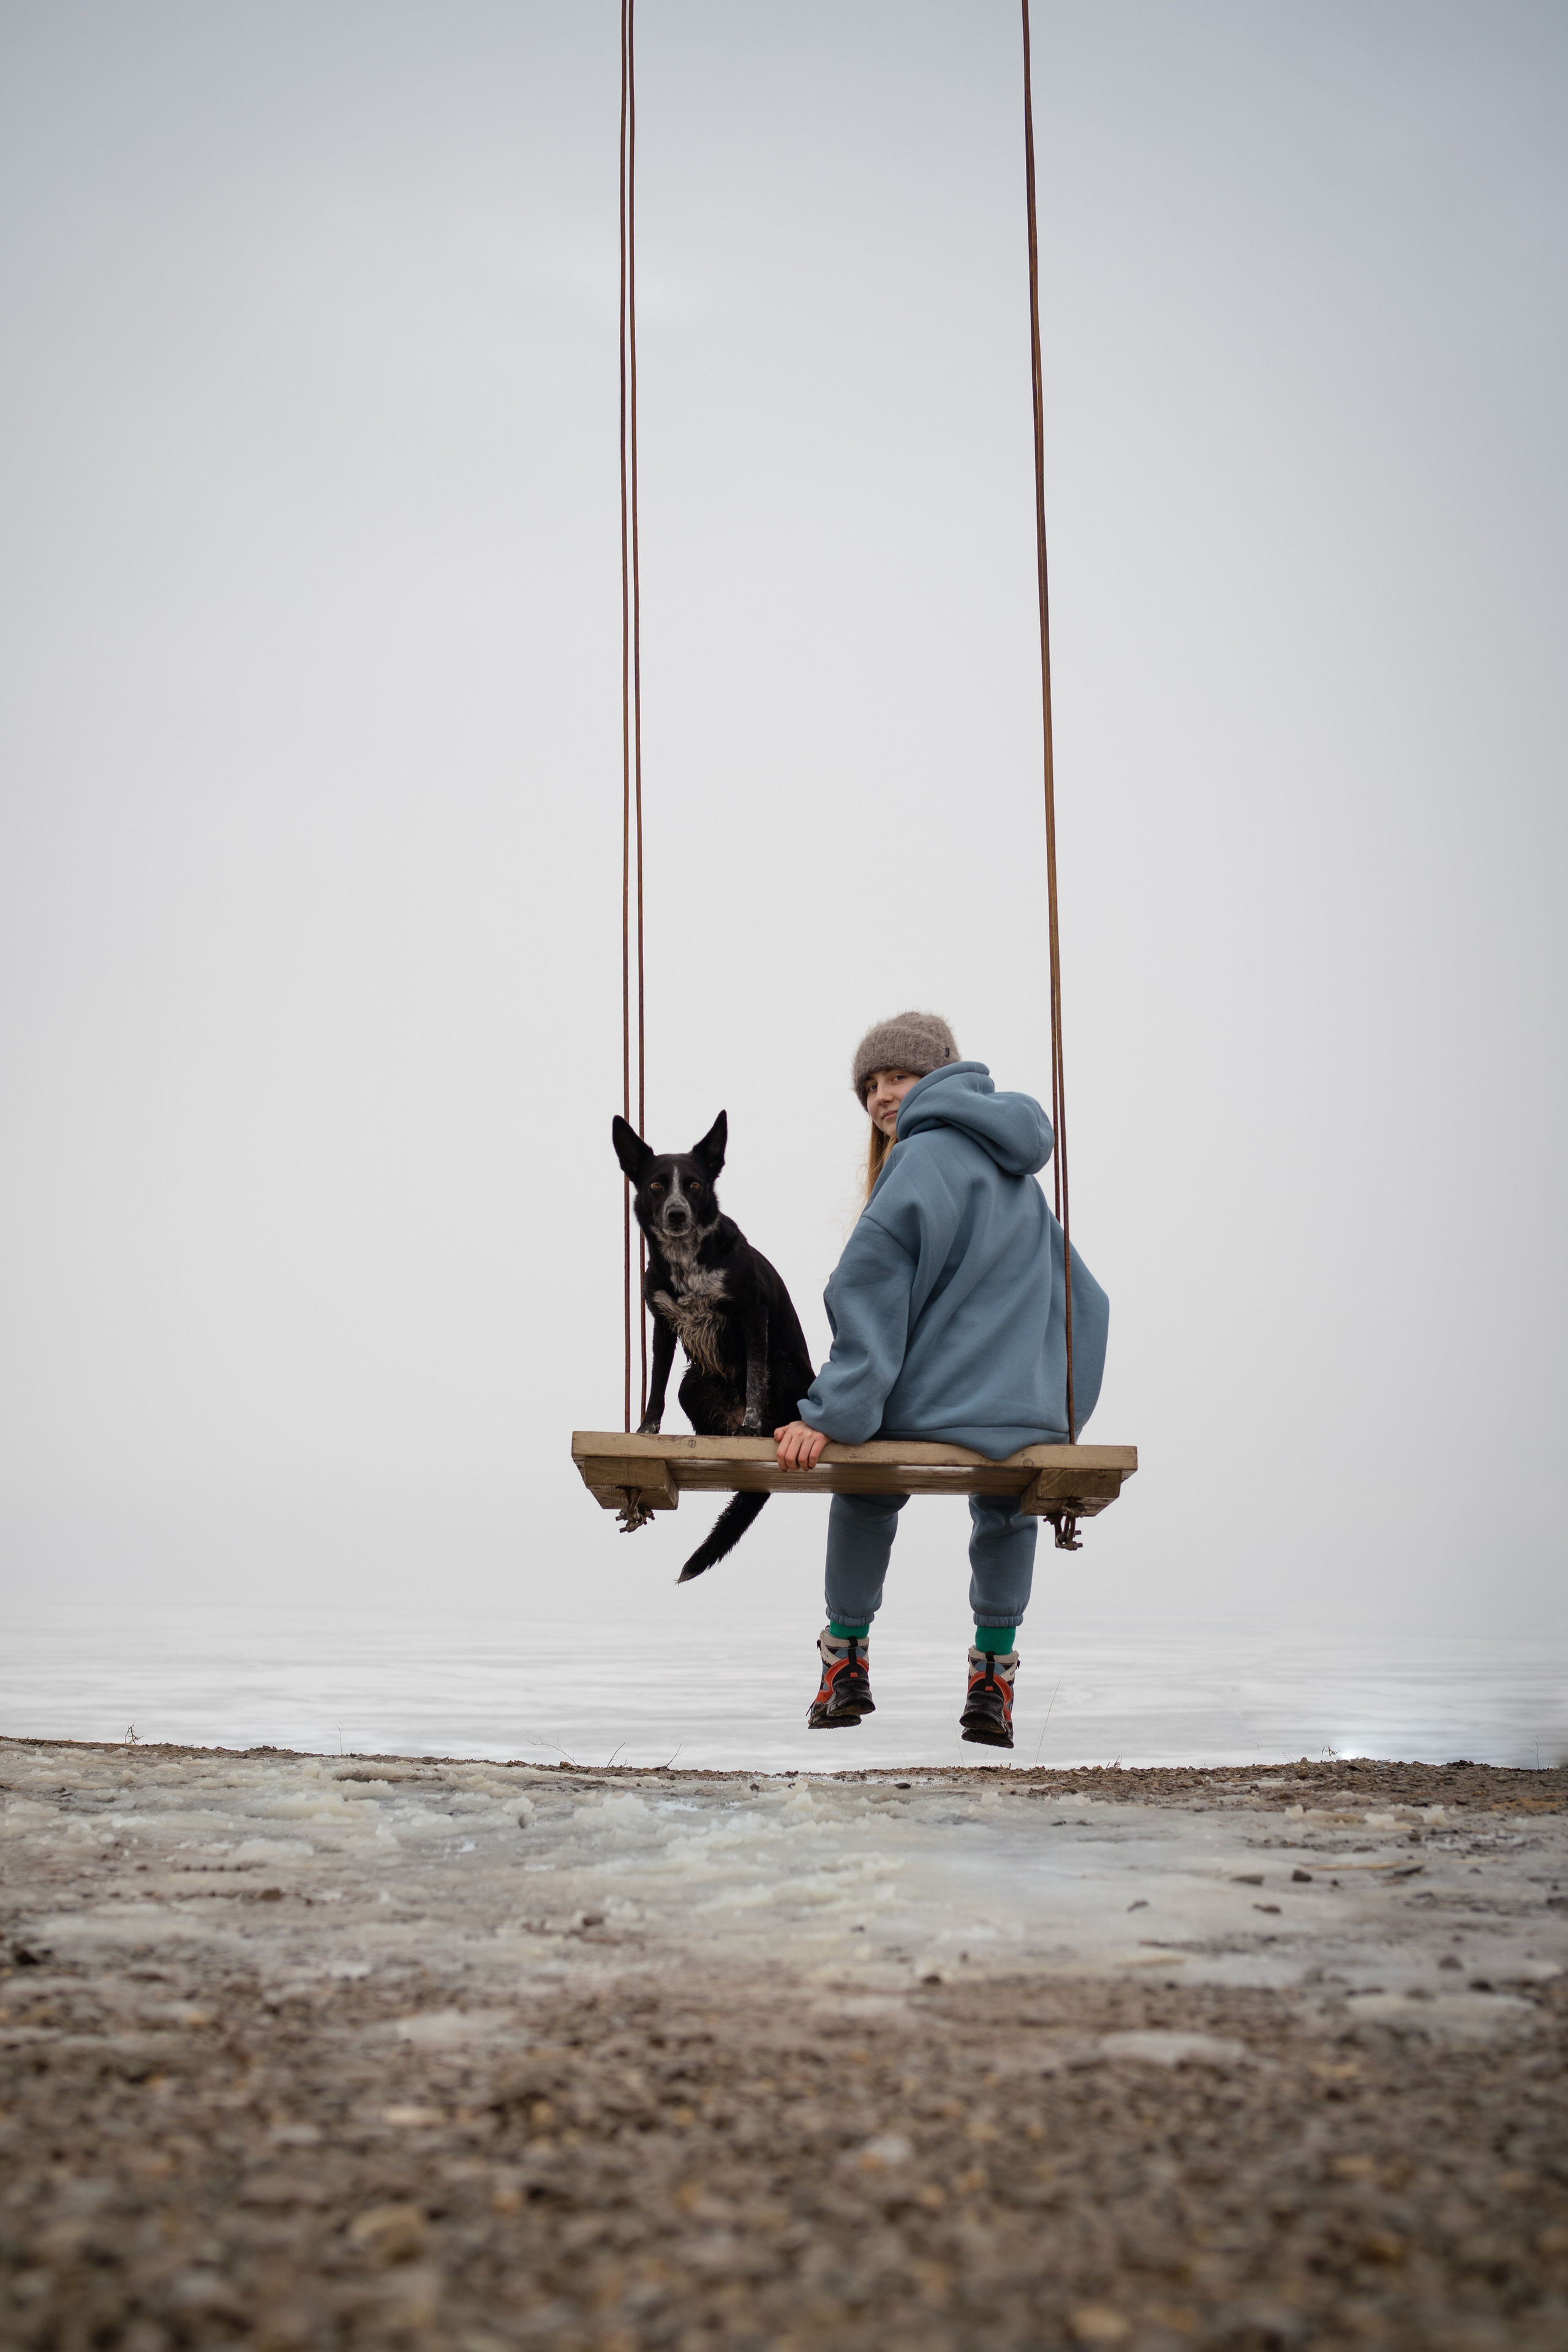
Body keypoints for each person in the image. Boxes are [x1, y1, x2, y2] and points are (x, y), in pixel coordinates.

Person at [773, 1011, 1109, 1750]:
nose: (882, 1097)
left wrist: (830, 1412)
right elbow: (1086, 1297)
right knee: (1007, 1501)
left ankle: (844, 1660)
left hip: (932, 1405)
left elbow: (868, 1295)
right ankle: (993, 1679)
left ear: (940, 1076)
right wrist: (1055, 1402)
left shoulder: (920, 1161)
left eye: (899, 1076)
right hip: (1020, 1409)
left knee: (863, 1486)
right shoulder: (1011, 1165)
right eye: (870, 1085)